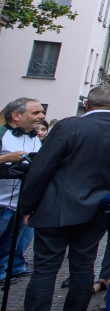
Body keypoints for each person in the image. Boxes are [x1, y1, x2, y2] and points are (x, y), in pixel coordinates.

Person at [20, 86, 110, 311]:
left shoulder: (69, 125)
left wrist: (27, 206)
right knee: (83, 267)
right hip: (99, 206)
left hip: (57, 205)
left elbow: (41, 169)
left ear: (86, 104)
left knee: (46, 269)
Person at [0, 98, 46, 282]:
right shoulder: (2, 134)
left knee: (7, 249)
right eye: (36, 113)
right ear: (16, 116)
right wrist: (5, 158)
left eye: (42, 112)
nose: (42, 116)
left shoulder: (34, 138)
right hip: (1, 204)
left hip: (20, 206)